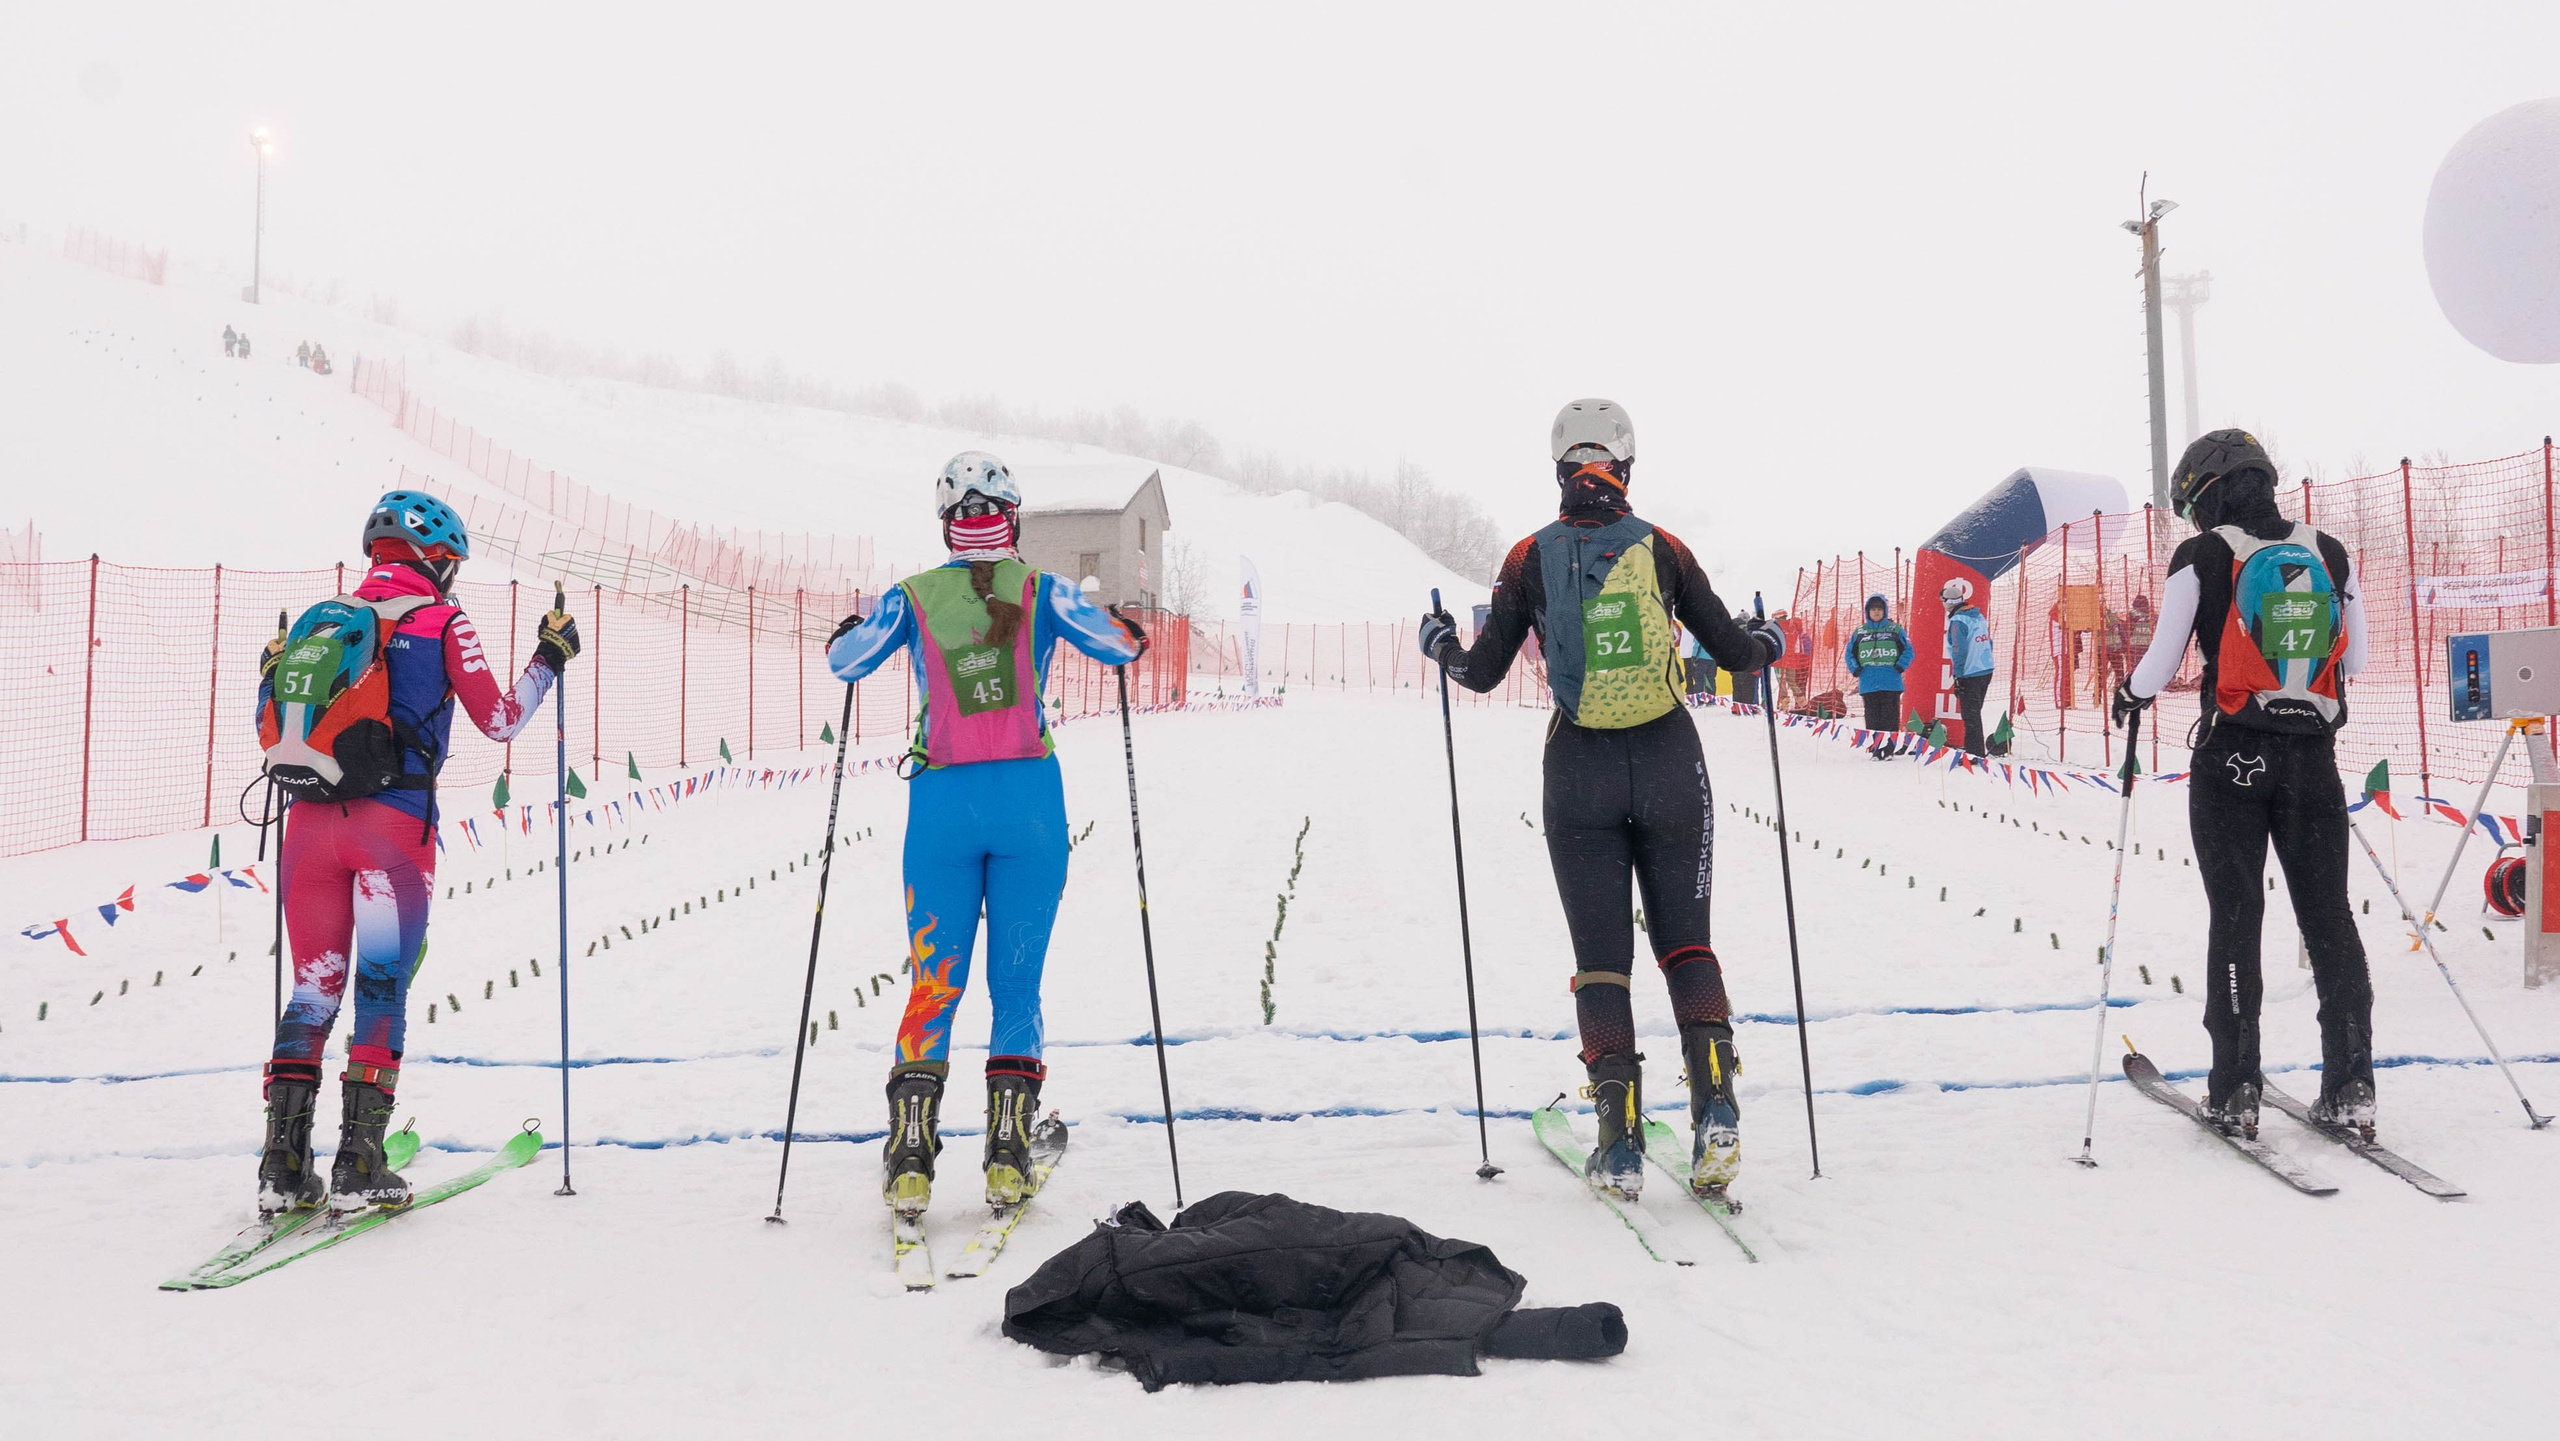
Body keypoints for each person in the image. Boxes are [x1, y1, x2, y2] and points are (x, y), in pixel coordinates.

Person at [1417, 399, 1782, 1202]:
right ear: (1625, 467)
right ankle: (1716, 1105)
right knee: (1688, 947)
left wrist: (1437, 641)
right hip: (1669, 759)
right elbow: (1735, 655)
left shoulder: (1527, 556)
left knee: (1601, 963)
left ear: (1560, 469)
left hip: (1576, 768)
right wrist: (1769, 641)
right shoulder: (1666, 548)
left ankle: (1617, 1147)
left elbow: (1479, 671)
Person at [825, 452, 1143, 1218]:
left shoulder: (911, 597)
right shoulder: (1044, 591)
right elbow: (1122, 646)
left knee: (935, 980)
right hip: (1030, 806)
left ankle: (909, 1157)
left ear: (945, 523)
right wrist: (1125, 626)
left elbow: (847, 660)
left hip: (941, 809)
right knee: (1017, 983)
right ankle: (1006, 1153)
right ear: (1013, 517)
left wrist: (849, 630)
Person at [253, 492, 578, 1216]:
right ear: (435, 557)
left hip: (307, 827)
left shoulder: (321, 622)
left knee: (312, 988)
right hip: (391, 829)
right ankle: (359, 1163)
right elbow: (500, 718)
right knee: (379, 988)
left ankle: (281, 1166)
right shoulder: (442, 620)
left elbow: (268, 720)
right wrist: (549, 657)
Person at [2113, 428, 2373, 1140]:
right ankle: (2351, 1081)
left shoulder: (2202, 555)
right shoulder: (2327, 550)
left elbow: (2161, 663)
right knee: (2329, 917)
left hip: (2232, 759)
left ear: (2201, 492)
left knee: (2235, 916)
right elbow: (2363, 659)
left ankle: (2235, 1089)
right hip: (2312, 757)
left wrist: (2129, 694)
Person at [1843, 593, 1913, 758]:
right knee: (1872, 718)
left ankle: (1888, 750)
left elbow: (1909, 650)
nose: (1876, 612)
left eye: (1879, 609)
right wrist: (1855, 668)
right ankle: (1876, 749)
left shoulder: (1895, 630)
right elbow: (1849, 654)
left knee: (1890, 717)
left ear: (1885, 611)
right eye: (1873, 609)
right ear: (1868, 611)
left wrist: (1900, 666)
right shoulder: (1859, 632)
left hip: (1891, 682)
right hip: (1868, 682)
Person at [1942, 577, 1994, 755]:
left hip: (1970, 673)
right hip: (1985, 669)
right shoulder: (1978, 615)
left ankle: (1974, 753)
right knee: (1974, 713)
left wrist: (1958, 675)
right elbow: (1989, 642)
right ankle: (1975, 750)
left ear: (1947, 603)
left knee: (1970, 715)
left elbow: (1959, 650)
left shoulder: (1958, 621)